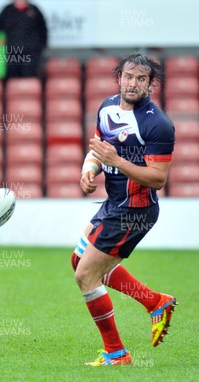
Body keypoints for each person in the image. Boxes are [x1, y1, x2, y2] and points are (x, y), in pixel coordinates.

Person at [73, 54, 176, 366]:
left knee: (86, 275)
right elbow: (98, 150)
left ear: (149, 84)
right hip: (113, 204)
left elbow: (158, 178)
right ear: (119, 77)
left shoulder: (156, 124)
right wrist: (88, 170)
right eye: (129, 76)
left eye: (141, 79)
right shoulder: (107, 107)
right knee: (78, 259)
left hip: (135, 210)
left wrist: (116, 161)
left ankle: (116, 354)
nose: (133, 83)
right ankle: (155, 302)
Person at [0, 0, 48, 78]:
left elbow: (43, 31)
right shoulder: (6, 11)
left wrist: (37, 50)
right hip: (12, 54)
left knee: (29, 80)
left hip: (31, 55)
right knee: (12, 81)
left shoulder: (35, 10)